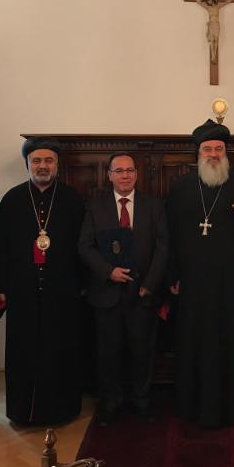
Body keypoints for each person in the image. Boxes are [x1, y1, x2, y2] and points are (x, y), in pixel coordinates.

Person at [166, 119, 234, 428]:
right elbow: (169, 235)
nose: (213, 154)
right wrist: (173, 274)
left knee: (228, 340)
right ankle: (193, 405)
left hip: (229, 285)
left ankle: (232, 406)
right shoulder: (182, 187)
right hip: (192, 283)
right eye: (207, 149)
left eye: (218, 149)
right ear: (198, 153)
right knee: (194, 341)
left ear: (226, 152)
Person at [0, 137, 85, 426]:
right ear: (27, 164)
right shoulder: (12, 200)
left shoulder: (73, 200)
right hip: (22, 292)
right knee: (23, 353)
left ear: (57, 164)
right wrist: (1, 287)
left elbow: (84, 247)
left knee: (60, 352)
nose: (42, 166)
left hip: (63, 292)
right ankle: (23, 412)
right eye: (36, 160)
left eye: (48, 160)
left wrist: (81, 286)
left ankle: (62, 411)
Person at [79, 152, 168, 425]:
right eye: (119, 171)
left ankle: (142, 401)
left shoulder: (154, 205)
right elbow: (85, 246)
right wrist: (108, 272)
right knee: (108, 354)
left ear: (137, 174)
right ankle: (110, 403)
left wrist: (150, 284)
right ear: (109, 175)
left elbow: (164, 247)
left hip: (143, 294)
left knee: (143, 353)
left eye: (130, 170)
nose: (125, 175)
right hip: (107, 294)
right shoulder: (95, 206)